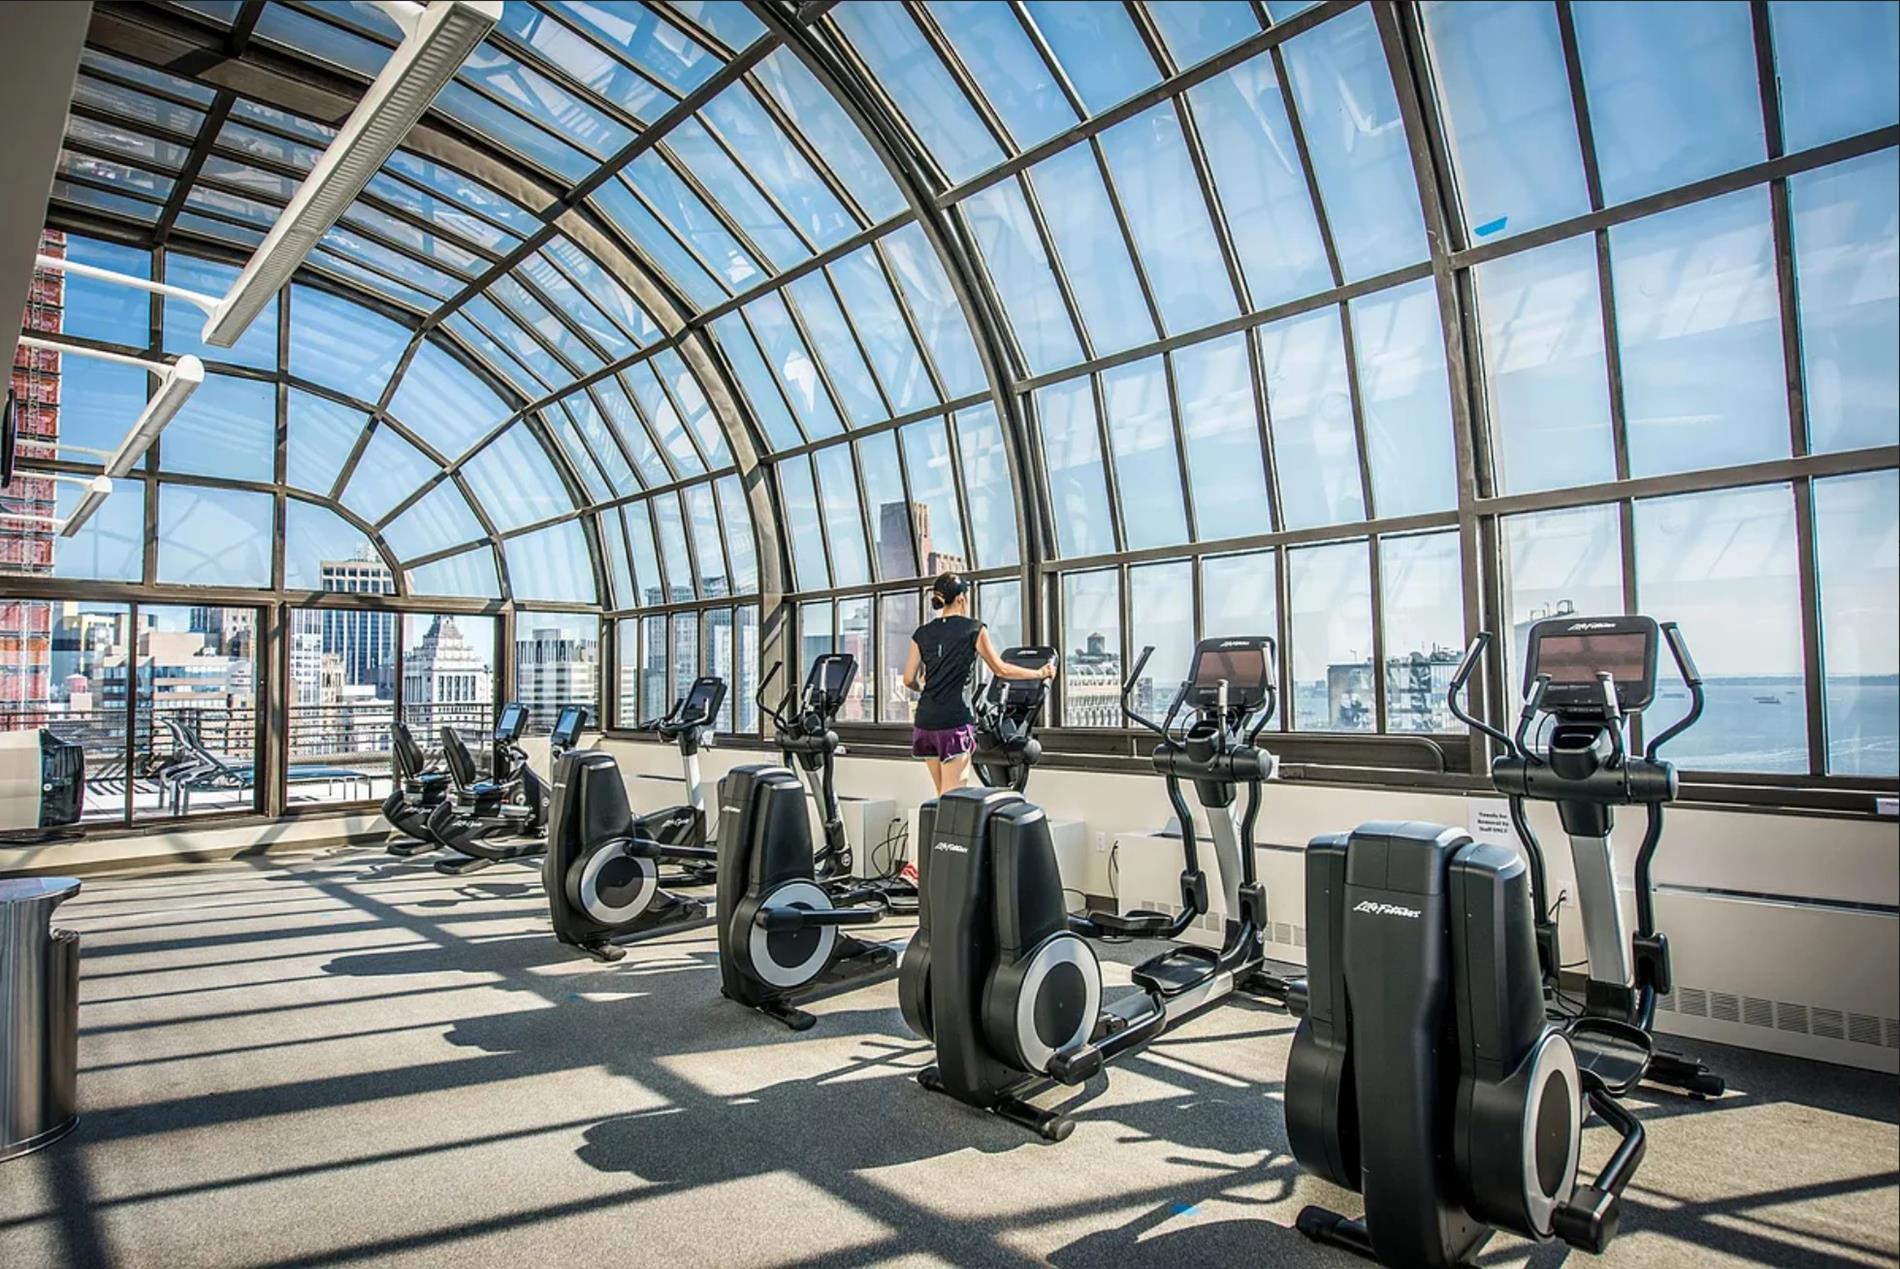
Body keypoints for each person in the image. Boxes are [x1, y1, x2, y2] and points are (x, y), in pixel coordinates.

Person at [899, 573, 1056, 885]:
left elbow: (908, 679)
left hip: (926, 722)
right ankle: (920, 865)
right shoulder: (974, 628)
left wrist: (925, 686)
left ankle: (936, 871)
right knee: (952, 803)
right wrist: (1039, 673)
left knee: (943, 797)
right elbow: (1001, 669)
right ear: (962, 598)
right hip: (954, 721)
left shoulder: (922, 633)